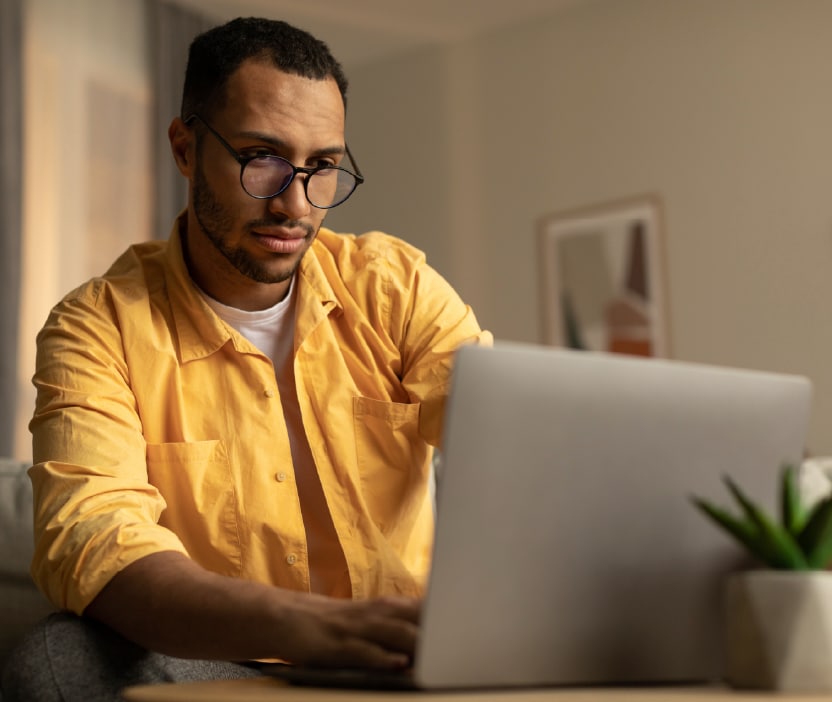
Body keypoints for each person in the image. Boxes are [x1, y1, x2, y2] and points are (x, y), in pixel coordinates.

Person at [1, 16, 490, 702]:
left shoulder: (394, 286)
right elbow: (94, 541)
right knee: (59, 660)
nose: (295, 204)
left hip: (395, 656)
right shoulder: (98, 325)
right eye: (262, 157)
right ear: (185, 147)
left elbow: (503, 446)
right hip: (222, 660)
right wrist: (307, 627)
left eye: (321, 166)